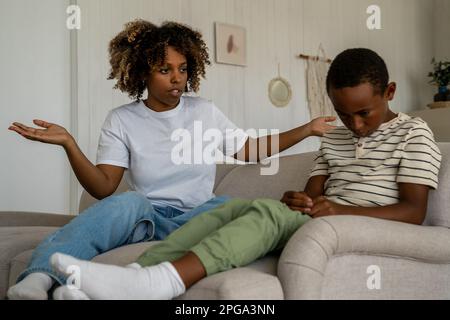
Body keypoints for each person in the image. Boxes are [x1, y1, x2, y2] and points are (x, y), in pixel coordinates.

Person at [46, 47, 442, 300]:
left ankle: (160, 282)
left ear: (389, 93)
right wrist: (303, 200)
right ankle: (132, 277)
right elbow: (310, 192)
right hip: (321, 218)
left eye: (364, 113)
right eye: (343, 114)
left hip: (355, 222)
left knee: (259, 212)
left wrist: (334, 209)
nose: (353, 124)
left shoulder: (413, 132)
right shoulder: (335, 140)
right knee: (228, 209)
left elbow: (413, 211)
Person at [6, 20, 335, 300]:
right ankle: (39, 278)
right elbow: (103, 187)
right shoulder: (122, 120)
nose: (177, 78)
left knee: (230, 205)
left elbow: (250, 150)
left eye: (182, 69)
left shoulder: (204, 111)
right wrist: (69, 144)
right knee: (127, 202)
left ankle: (93, 289)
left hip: (197, 215)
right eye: (164, 70)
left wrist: (305, 129)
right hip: (146, 217)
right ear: (141, 74)